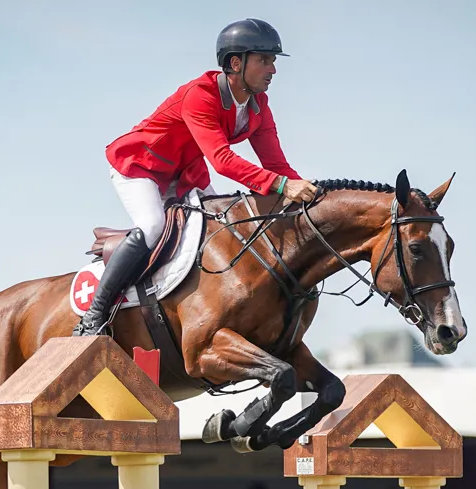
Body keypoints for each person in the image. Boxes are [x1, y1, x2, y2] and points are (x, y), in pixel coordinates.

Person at [74, 18, 315, 336]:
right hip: (140, 166)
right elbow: (223, 161)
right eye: (264, 60)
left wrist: (313, 194)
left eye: (273, 61)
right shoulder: (200, 94)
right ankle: (94, 316)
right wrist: (284, 186)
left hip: (185, 173)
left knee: (220, 228)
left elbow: (276, 165)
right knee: (152, 226)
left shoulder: (258, 106)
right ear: (235, 63)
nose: (273, 70)